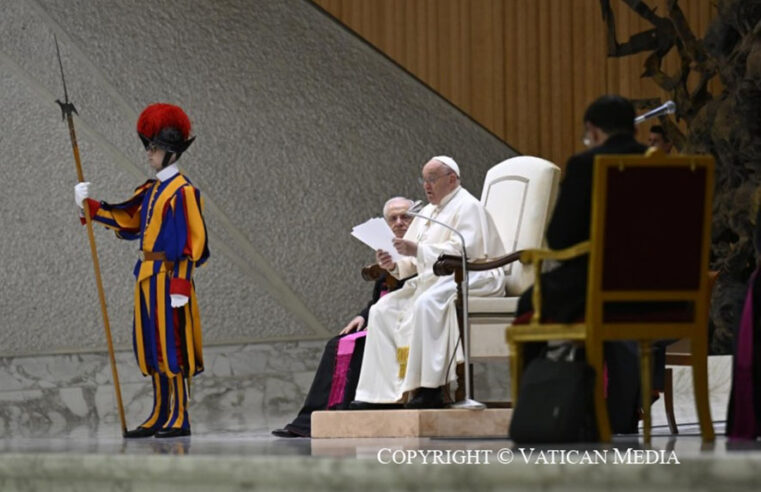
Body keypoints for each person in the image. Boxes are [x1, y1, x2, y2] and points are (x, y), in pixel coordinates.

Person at [74, 103, 209, 438]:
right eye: (149, 146)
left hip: (170, 279)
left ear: (171, 151)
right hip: (147, 277)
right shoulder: (151, 190)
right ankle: (160, 413)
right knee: (152, 347)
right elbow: (130, 221)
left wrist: (180, 285)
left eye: (155, 147)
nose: (149, 153)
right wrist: (89, 207)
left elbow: (192, 242)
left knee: (172, 347)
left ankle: (178, 415)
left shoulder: (184, 192)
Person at [515, 95, 648, 434]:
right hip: (660, 291)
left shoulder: (587, 164)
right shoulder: (666, 166)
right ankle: (622, 417)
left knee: (530, 302)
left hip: (598, 286)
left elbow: (559, 238)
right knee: (620, 331)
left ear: (592, 129)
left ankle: (539, 416)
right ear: (633, 128)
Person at [351, 156, 506, 409]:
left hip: (473, 275)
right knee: (382, 310)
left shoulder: (468, 206)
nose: (426, 186)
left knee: (427, 303)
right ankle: (383, 395)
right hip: (436, 277)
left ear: (451, 179)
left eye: (432, 179)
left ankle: (430, 389)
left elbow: (467, 249)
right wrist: (391, 262)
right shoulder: (427, 212)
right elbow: (410, 258)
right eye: (424, 180)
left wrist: (417, 249)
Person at [272, 197, 414, 438]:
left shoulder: (420, 250)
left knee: (355, 346)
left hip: (407, 323)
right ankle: (312, 419)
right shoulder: (387, 254)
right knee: (338, 344)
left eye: (405, 217)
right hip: (382, 319)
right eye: (393, 218)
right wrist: (363, 316)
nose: (399, 223)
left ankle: (341, 413)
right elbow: (382, 296)